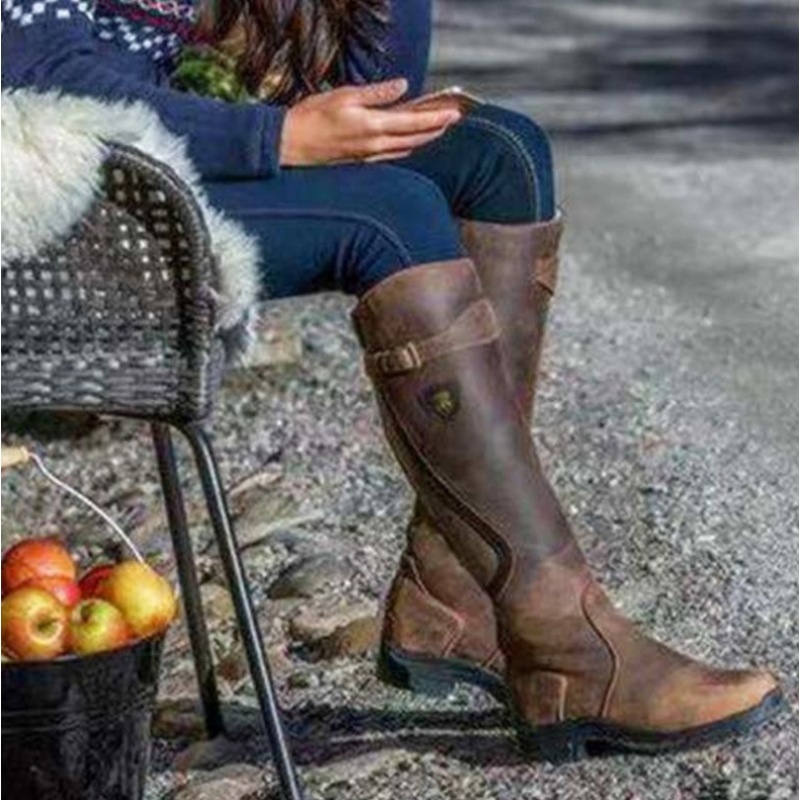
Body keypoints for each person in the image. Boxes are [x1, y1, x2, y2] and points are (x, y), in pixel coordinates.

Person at [2, 0, 781, 760]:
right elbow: (36, 71)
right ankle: (566, 644)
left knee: (500, 158)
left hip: (145, 164)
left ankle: (452, 601)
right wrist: (276, 137)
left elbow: (376, 92)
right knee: (392, 215)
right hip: (51, 195)